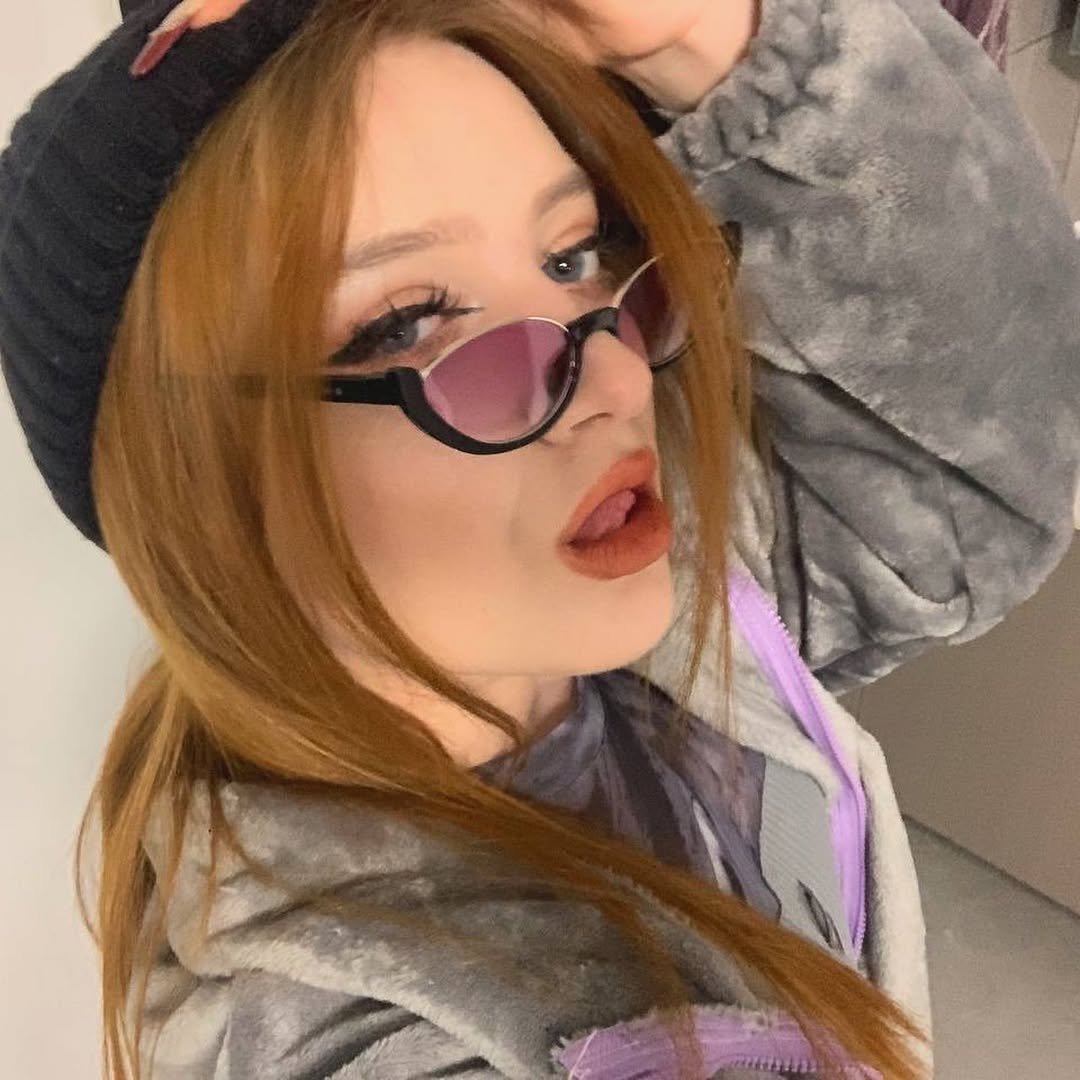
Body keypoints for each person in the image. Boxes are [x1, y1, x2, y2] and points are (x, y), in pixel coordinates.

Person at [0, 0, 1076, 1077]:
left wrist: (711, 39)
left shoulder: (645, 613)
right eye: (407, 324)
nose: (613, 377)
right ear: (197, 491)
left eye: (572, 257)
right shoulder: (364, 1034)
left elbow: (975, 476)